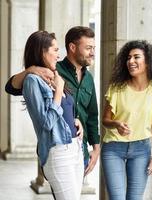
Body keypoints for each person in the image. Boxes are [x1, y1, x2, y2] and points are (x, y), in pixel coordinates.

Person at [5, 26, 100, 175]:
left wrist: (96, 147)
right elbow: (11, 87)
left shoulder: (88, 78)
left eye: (93, 48)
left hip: (81, 151)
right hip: (60, 150)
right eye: (88, 48)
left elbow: (92, 115)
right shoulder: (53, 71)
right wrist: (31, 69)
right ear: (73, 47)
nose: (93, 52)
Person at [101, 40, 152, 200]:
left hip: (141, 150)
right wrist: (116, 124)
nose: (131, 61)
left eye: (136, 57)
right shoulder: (117, 88)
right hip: (113, 148)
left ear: (148, 62)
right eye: (129, 58)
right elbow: (105, 120)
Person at [22, 31, 84, 200]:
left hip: (75, 148)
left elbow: (64, 110)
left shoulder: (53, 76)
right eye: (55, 50)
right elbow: (45, 124)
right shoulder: (31, 81)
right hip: (58, 151)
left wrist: (76, 121)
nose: (59, 55)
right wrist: (58, 92)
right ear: (42, 51)